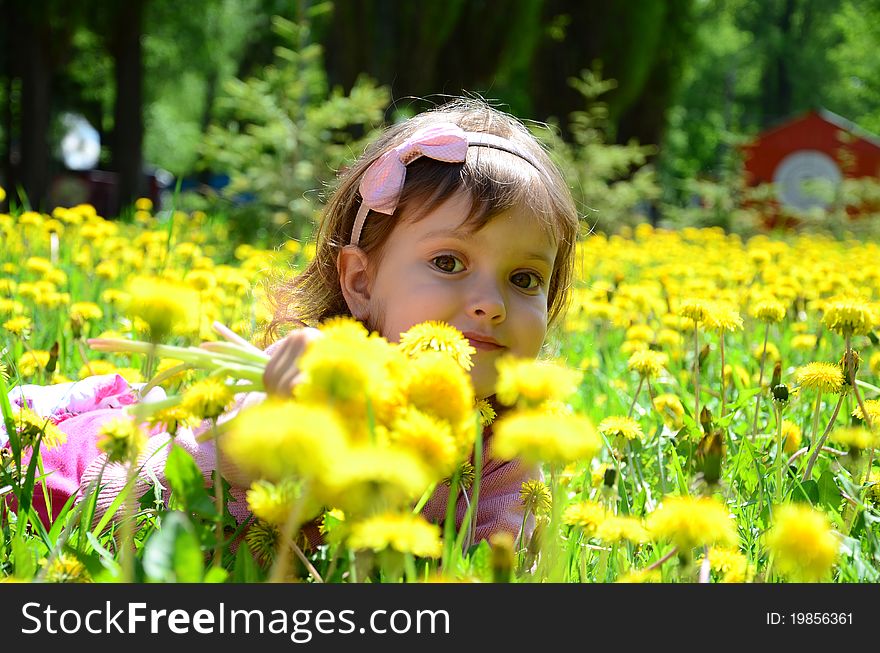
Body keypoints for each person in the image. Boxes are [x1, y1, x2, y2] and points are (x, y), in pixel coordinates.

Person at [6, 98, 580, 547]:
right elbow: (157, 504)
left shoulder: (511, 448)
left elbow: (497, 563)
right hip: (97, 478)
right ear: (359, 283)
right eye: (449, 263)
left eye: (525, 279)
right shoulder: (309, 382)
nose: (492, 303)